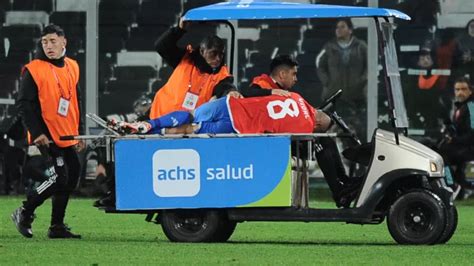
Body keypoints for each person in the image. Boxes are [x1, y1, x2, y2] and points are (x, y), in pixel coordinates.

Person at [122, 88, 361, 208]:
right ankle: (341, 188)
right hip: (239, 126)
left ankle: (149, 124)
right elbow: (282, 138)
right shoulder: (307, 125)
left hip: (230, 104)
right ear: (317, 122)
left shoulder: (295, 96)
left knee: (190, 115)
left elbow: (267, 93)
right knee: (191, 129)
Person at [11, 24, 84, 239]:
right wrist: (37, 133)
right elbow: (24, 104)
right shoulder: (34, 69)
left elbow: (75, 101)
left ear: (64, 41)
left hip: (67, 134)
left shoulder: (73, 66)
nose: (48, 46)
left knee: (72, 177)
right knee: (60, 178)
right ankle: (25, 211)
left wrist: (78, 132)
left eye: (52, 41)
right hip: (47, 135)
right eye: (44, 42)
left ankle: (57, 227)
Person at [149, 17, 238, 119]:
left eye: (221, 54)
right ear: (202, 51)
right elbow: (161, 46)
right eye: (213, 54)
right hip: (160, 117)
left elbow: (225, 87)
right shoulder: (185, 58)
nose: (218, 58)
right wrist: (179, 30)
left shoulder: (222, 75)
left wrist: (231, 92)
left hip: (189, 127)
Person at [316, 18, 367, 141]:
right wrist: (327, 82)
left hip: (356, 96)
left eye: (342, 27)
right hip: (333, 95)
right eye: (337, 27)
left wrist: (361, 81)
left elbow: (370, 65)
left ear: (350, 30)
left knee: (357, 127)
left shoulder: (361, 46)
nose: (338, 30)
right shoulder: (329, 46)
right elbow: (319, 65)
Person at [438, 76, 474, 198]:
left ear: (470, 90)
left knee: (441, 156)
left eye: (463, 89)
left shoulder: (471, 107)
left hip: (469, 148)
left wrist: (454, 140)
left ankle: (451, 185)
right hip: (462, 146)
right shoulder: (461, 106)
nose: (460, 92)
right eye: (457, 89)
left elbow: (472, 134)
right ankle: (459, 187)